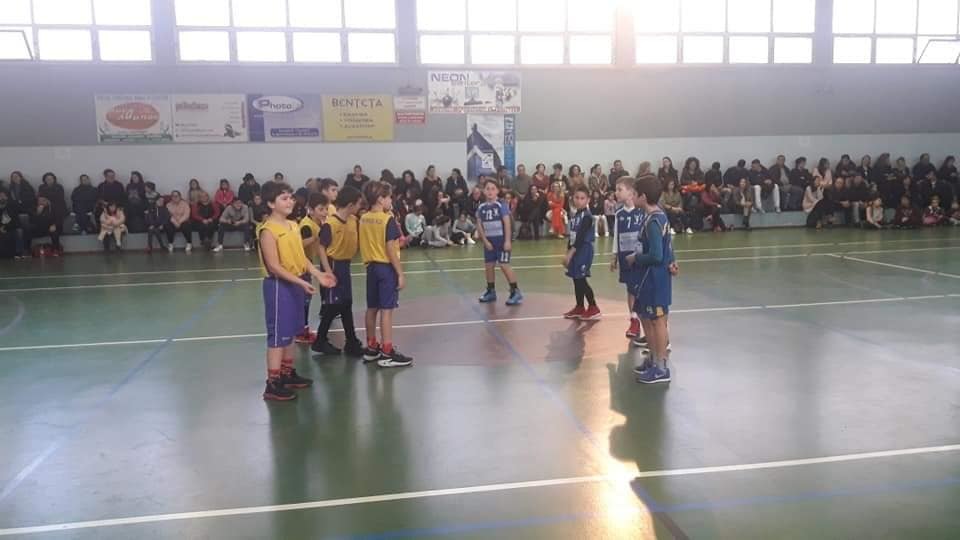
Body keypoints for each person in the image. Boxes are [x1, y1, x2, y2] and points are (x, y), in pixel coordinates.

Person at [257, 181, 336, 401]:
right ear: (270, 203)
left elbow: (301, 257)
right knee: (278, 336)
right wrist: (300, 283)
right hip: (278, 286)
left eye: (291, 197)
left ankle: (287, 373)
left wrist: (318, 274)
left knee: (291, 331)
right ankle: (273, 383)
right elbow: (274, 266)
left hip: (296, 282)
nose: (290, 201)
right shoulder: (267, 231)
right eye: (283, 198)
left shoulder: (293, 225)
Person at [626, 175, 675, 385]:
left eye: (635, 194)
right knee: (649, 319)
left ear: (643, 197)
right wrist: (673, 260)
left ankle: (661, 367)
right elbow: (668, 245)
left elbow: (656, 254)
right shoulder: (656, 216)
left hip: (655, 279)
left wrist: (635, 258)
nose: (632, 197)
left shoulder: (654, 221)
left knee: (657, 322)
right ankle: (654, 360)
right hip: (648, 279)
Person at [358, 181, 412, 368]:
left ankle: (372, 347)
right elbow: (390, 249)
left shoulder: (363, 218)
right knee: (387, 311)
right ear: (381, 199)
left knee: (372, 308)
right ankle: (387, 352)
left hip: (371, 267)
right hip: (386, 268)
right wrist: (400, 273)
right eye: (389, 197)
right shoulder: (387, 219)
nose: (391, 201)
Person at [310, 186, 364, 357]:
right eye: (358, 204)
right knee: (333, 305)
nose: (360, 207)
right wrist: (327, 271)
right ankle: (320, 341)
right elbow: (321, 248)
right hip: (333, 265)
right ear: (350, 205)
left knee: (346, 303)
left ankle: (351, 341)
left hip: (345, 265)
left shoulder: (353, 220)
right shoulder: (331, 224)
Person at [476, 178, 523, 306]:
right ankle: (490, 291)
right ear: (483, 191)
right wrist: (485, 241)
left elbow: (507, 223)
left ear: (497, 191)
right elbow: (479, 225)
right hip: (489, 241)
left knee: (504, 265)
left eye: (493, 189)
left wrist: (507, 241)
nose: (490, 191)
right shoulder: (481, 207)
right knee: (489, 266)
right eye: (487, 189)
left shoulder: (501, 205)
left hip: (501, 240)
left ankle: (515, 291)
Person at [610, 176, 644, 341]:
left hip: (640, 258)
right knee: (630, 289)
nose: (616, 193)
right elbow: (616, 235)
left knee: (641, 288)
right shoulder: (619, 213)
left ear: (631, 193)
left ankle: (646, 320)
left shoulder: (642, 211)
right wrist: (614, 256)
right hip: (625, 258)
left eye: (619, 189)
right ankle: (633, 320)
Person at [295, 193, 330, 345]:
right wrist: (316, 238)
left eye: (326, 209)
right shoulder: (307, 225)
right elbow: (301, 244)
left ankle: (303, 329)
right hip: (301, 265)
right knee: (303, 299)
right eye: (321, 209)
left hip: (308, 264)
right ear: (311, 209)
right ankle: (300, 332)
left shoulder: (317, 222)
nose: (325, 212)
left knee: (306, 299)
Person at [563, 186, 600, 320]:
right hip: (575, 250)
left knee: (581, 279)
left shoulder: (587, 217)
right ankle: (579, 307)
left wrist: (570, 253)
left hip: (583, 250)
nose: (579, 201)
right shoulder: (575, 215)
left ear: (588, 200)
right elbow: (572, 236)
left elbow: (580, 237)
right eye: (577, 198)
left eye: (582, 198)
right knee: (576, 279)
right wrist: (568, 250)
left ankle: (593, 307)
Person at [37, 173, 67, 238]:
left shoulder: (59, 187)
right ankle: (45, 230)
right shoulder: (41, 187)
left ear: (54, 179)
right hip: (46, 205)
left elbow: (60, 198)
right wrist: (42, 205)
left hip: (58, 205)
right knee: (40, 211)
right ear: (44, 180)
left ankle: (56, 226)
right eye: (47, 179)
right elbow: (40, 198)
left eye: (51, 178)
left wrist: (48, 201)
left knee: (57, 211)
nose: (49, 180)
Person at [0, 190, 19, 259]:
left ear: (7, 197)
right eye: (0, 196)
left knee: (9, 235)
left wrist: (4, 227)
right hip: (1, 227)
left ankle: (11, 254)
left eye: (3, 196)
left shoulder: (12, 205)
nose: (1, 197)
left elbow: (13, 219)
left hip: (10, 227)